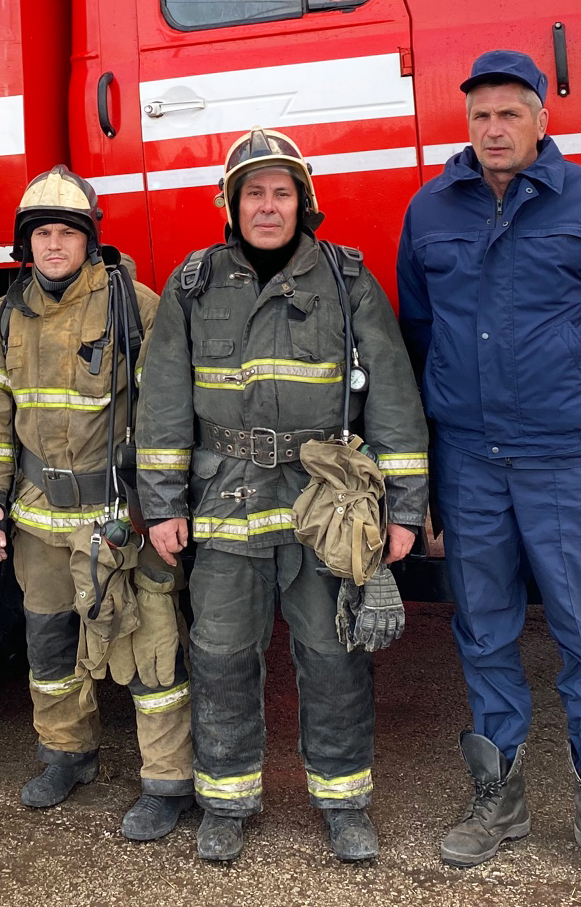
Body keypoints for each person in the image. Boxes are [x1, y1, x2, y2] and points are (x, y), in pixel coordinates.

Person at [397, 50, 581, 892]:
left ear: (541, 119)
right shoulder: (430, 208)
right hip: (471, 461)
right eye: (480, 116)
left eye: (510, 114)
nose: (493, 129)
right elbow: (416, 322)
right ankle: (499, 798)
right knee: (482, 628)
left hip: (564, 459)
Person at [136, 129, 429, 865]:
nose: (268, 207)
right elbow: (163, 397)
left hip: (326, 506)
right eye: (253, 193)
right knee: (222, 653)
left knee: (334, 656)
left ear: (304, 201)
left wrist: (405, 508)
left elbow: (393, 397)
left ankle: (344, 802)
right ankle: (226, 802)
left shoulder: (346, 278)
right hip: (225, 499)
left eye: (281, 192)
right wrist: (165, 503)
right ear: (231, 205)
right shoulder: (193, 281)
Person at [0, 166, 193, 840]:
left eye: (67, 233)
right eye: (42, 235)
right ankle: (66, 753)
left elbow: (166, 416)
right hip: (37, 520)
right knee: (50, 642)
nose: (54, 245)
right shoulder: (4, 317)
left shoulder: (135, 307)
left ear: (89, 240)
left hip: (120, 519)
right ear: (24, 245)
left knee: (150, 646)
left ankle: (167, 779)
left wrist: (161, 504)